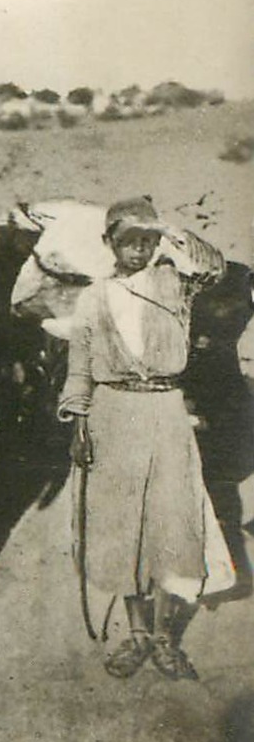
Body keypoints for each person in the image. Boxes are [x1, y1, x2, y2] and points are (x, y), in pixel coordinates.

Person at [58, 197, 234, 681]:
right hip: (112, 415)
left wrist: (169, 230)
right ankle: (136, 636)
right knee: (123, 528)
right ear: (109, 244)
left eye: (147, 241)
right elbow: (80, 367)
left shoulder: (174, 284)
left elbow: (213, 266)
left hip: (165, 411)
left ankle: (162, 638)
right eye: (129, 241)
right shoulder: (94, 297)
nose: (138, 250)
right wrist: (79, 423)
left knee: (171, 523)